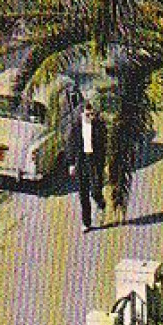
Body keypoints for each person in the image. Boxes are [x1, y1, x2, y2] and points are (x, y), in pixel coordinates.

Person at [69, 87, 108, 232]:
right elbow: (71, 145)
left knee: (95, 190)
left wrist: (104, 166)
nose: (89, 116)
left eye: (92, 114)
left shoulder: (100, 127)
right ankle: (87, 222)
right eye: (87, 114)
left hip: (95, 163)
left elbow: (104, 147)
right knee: (83, 194)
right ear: (82, 113)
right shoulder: (77, 126)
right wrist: (71, 163)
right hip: (82, 162)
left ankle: (101, 203)